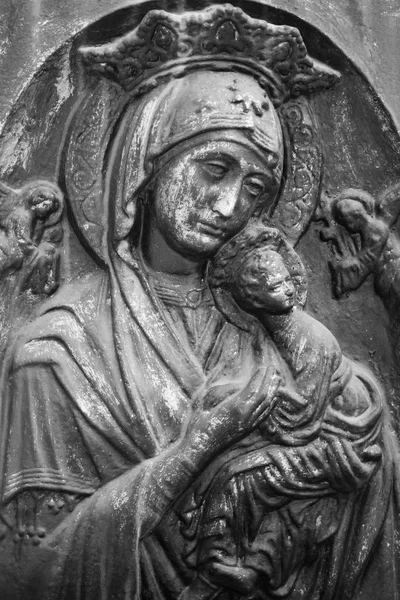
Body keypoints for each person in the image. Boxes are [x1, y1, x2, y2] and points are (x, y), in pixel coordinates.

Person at [0, 6, 398, 600]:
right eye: (215, 168)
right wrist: (195, 450)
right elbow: (30, 571)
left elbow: (364, 452)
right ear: (146, 161)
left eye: (257, 187)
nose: (231, 203)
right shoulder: (57, 350)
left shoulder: (280, 328)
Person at [177, 222, 383, 599]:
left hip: (341, 440)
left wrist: (248, 406)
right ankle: (229, 561)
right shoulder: (266, 332)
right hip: (310, 430)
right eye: (275, 287)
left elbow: (301, 416)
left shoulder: (309, 336)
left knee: (240, 476)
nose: (288, 290)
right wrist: (235, 397)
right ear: (252, 300)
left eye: (288, 280)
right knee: (228, 471)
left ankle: (224, 561)